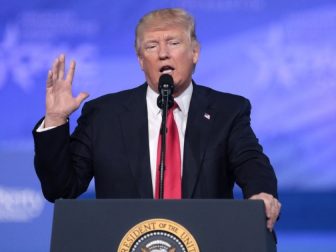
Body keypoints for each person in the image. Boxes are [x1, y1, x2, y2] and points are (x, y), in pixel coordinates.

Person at [33, 8, 281, 231]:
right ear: (140, 60)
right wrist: (55, 119)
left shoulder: (227, 110)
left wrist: (261, 194)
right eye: (151, 46)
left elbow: (251, 161)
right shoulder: (103, 115)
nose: (163, 53)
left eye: (173, 43)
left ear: (195, 52)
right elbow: (61, 189)